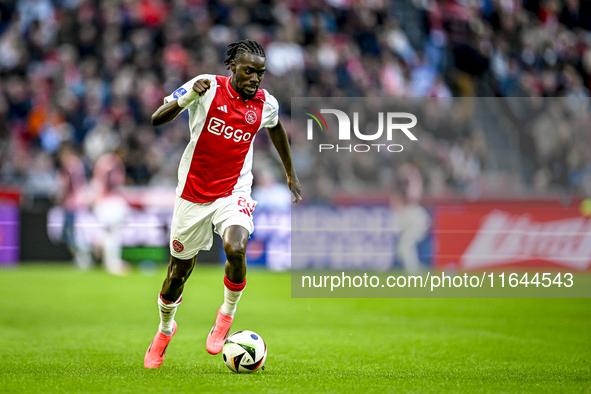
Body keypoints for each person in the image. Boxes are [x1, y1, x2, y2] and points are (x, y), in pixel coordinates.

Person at [144, 39, 302, 369]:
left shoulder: (264, 104)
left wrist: (290, 173)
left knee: (236, 247)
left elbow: (277, 131)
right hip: (192, 195)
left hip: (234, 192)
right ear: (232, 67)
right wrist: (187, 96)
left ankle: (226, 315)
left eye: (260, 73)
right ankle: (164, 330)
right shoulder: (205, 87)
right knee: (177, 275)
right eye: (248, 71)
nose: (255, 79)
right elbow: (157, 118)